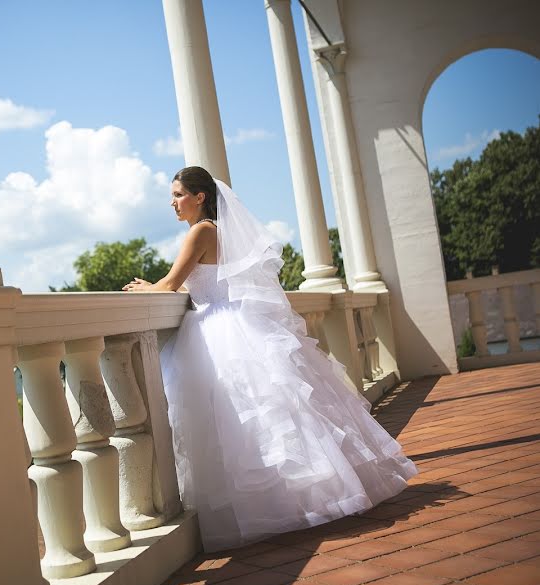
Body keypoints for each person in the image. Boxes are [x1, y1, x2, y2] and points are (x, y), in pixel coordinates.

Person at [123, 166, 416, 552]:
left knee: (240, 422)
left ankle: (277, 507)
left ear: (200, 197)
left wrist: (146, 287)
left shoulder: (202, 231)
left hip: (216, 326)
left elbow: (170, 285)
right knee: (268, 418)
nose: (172, 203)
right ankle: (306, 497)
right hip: (230, 323)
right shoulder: (219, 232)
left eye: (178, 195)